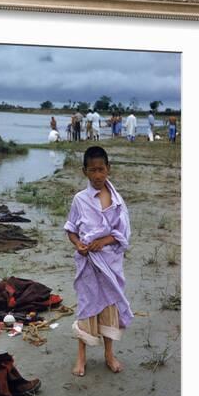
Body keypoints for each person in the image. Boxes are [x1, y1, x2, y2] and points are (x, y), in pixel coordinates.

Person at [64, 146, 133, 376]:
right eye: (92, 170)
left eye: (101, 170)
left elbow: (121, 233)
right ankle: (81, 357)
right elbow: (71, 229)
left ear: (108, 169)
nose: (97, 175)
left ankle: (109, 354)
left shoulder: (116, 201)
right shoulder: (80, 200)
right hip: (88, 265)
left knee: (109, 307)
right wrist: (78, 245)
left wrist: (104, 241)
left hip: (109, 264)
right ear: (84, 171)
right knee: (86, 307)